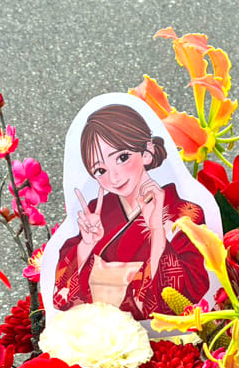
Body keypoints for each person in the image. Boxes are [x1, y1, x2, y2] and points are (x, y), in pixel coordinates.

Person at [54, 104, 211, 319]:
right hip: (101, 329)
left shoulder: (186, 214)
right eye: (100, 170)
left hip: (161, 332)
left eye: (122, 158)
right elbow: (62, 299)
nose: (114, 177)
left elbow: (186, 295)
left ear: (146, 152)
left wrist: (157, 231)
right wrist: (86, 245)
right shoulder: (96, 214)